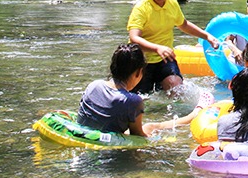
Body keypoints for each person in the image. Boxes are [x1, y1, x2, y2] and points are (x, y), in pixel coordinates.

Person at [76, 43, 205, 136]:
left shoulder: (94, 85)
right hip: (108, 142)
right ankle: (193, 115)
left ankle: (192, 116)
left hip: (84, 134)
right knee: (152, 127)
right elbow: (137, 136)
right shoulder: (132, 101)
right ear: (138, 73)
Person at [127, 0, 220, 94]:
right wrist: (157, 48)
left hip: (165, 59)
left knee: (176, 88)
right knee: (140, 99)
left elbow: (184, 25)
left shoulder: (173, 4)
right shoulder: (141, 8)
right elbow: (134, 38)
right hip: (141, 61)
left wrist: (207, 36)